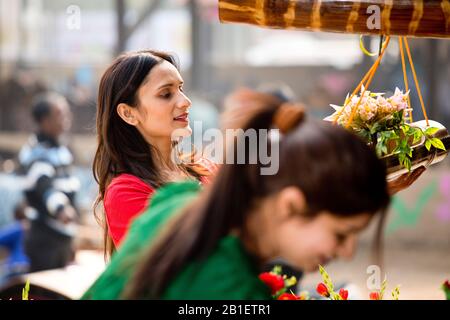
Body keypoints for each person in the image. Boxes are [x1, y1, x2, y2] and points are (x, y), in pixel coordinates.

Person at [82, 91, 391, 300]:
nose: (348, 252)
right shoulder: (231, 287)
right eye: (341, 234)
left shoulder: (177, 199)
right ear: (290, 205)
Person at [93, 50, 216, 258]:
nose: (185, 101)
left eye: (181, 89)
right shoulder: (125, 192)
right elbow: (173, 267)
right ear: (128, 113)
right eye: (166, 94)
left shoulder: (204, 168)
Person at [18, 92, 80, 272]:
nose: (66, 118)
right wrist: (61, 209)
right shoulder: (36, 152)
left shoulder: (61, 148)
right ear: (45, 121)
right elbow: (45, 187)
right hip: (45, 238)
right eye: (60, 114)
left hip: (62, 236)